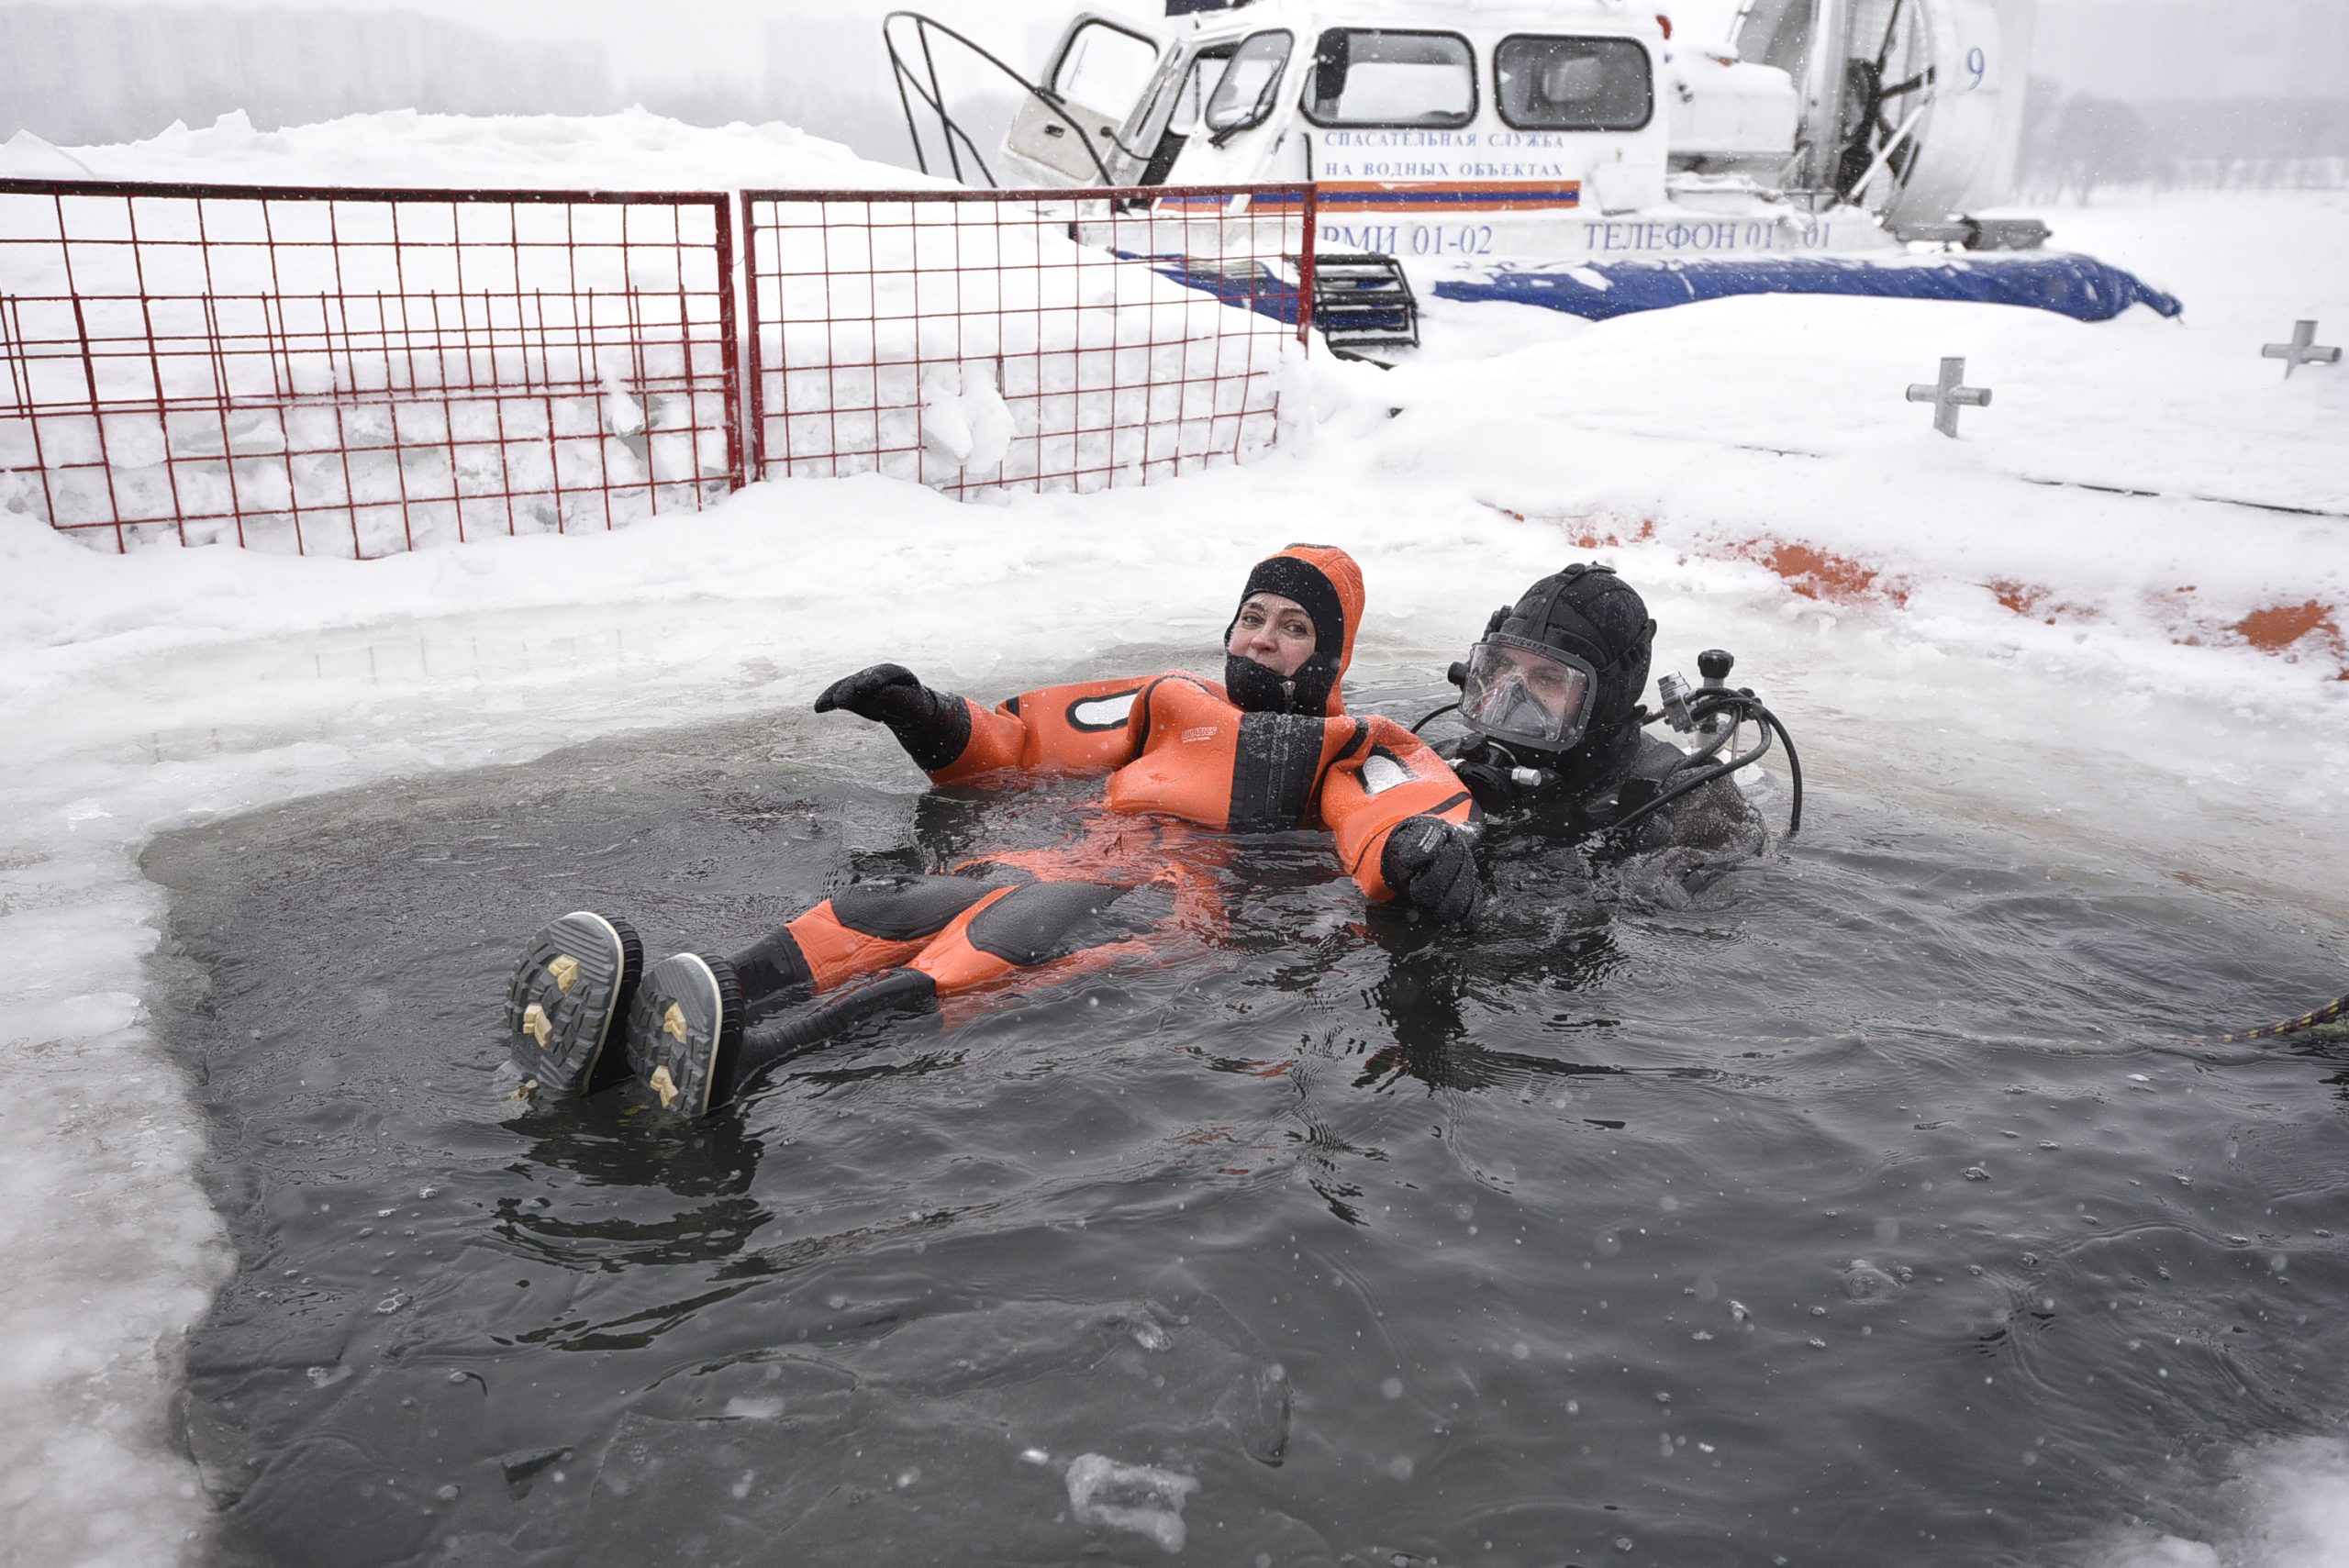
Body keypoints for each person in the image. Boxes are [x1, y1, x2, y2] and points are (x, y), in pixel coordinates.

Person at [503, 544, 1483, 1118]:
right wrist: (919, 711)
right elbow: (1023, 739)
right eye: (1251, 616)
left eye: (1291, 628)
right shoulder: (1163, 700)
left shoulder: (1349, 742)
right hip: (1081, 850)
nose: (1261, 639)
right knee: (894, 903)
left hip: (1186, 895)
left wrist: (1413, 857)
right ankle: (678, 1002)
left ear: (1332, 651)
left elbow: (1396, 807)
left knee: (1005, 934)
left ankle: (748, 1059)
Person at [1431, 562, 1775, 860]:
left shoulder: (1689, 801)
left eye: (1548, 679)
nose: (1513, 696)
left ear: (1607, 697)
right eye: (1504, 669)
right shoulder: (1440, 765)